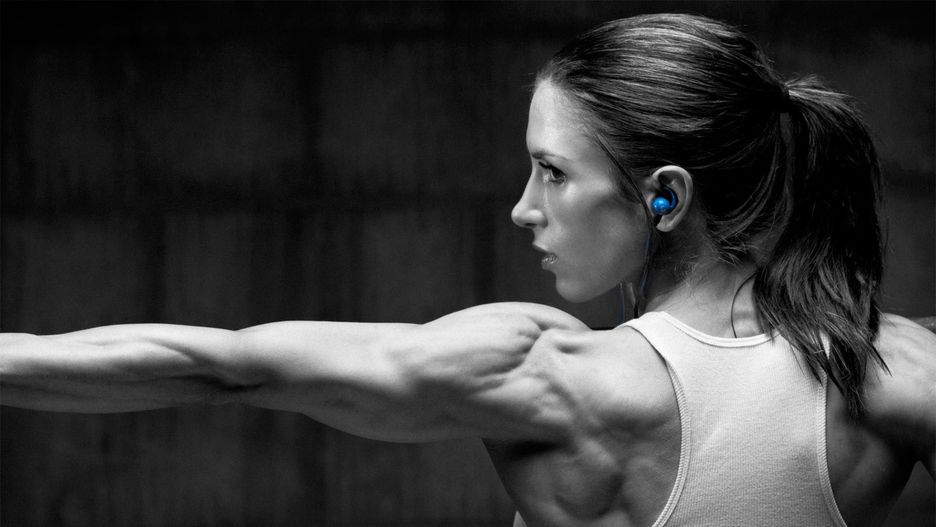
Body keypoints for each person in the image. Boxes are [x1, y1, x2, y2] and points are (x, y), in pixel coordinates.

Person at [1, 13, 934, 527]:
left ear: (664, 196)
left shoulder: (555, 375)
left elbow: (224, 364)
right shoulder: (896, 371)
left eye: (552, 171)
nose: (525, 207)